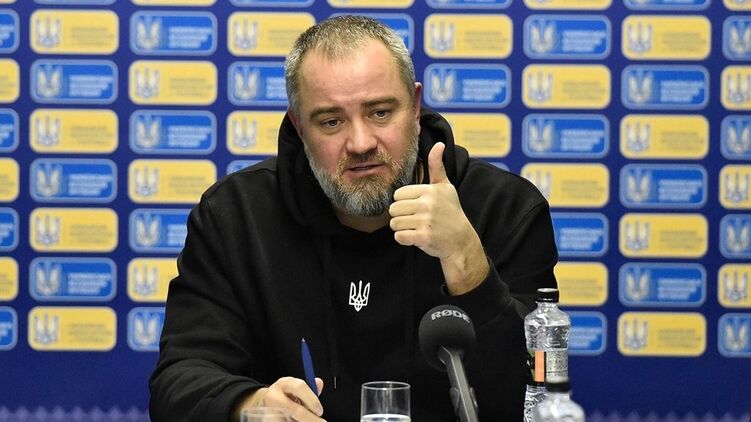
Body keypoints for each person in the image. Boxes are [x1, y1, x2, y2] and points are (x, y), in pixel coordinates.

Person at [149, 15, 558, 422]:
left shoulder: (505, 209)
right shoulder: (236, 217)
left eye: (380, 113)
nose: (360, 143)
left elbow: (536, 396)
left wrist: (468, 263)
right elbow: (179, 383)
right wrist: (249, 405)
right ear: (299, 126)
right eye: (331, 121)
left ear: (415, 107)